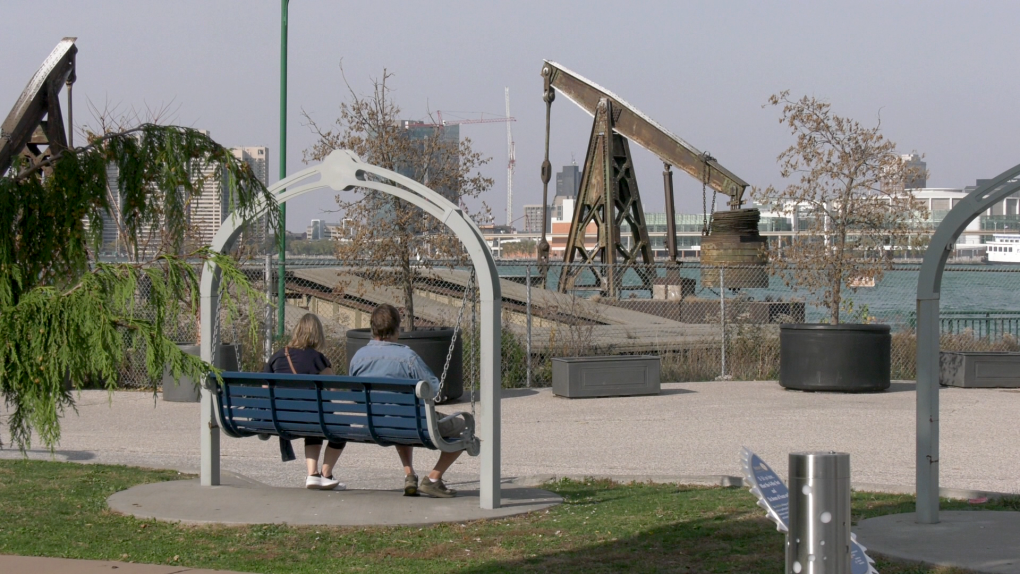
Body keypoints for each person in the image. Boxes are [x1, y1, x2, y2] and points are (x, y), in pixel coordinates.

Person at [349, 304, 466, 498]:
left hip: (375, 423)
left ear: (373, 328)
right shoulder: (407, 357)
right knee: (464, 427)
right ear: (396, 329)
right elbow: (435, 390)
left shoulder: (359, 357)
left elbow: (355, 394)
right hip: (410, 422)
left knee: (400, 420)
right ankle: (434, 479)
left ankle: (410, 474)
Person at [263, 313, 347, 490]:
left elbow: (264, 388)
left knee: (313, 419)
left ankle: (313, 475)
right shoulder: (317, 358)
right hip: (309, 419)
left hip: (281, 419)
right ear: (318, 335)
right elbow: (334, 390)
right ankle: (326, 473)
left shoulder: (277, 357)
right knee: (338, 427)